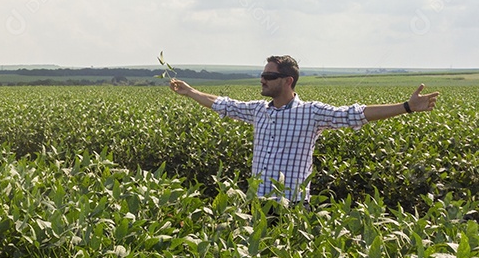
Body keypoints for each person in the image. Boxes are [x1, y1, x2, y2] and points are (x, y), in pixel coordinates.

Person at [169, 55, 439, 202]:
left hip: (292, 206)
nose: (262, 80)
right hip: (256, 204)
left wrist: (406, 106)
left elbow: (356, 114)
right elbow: (223, 104)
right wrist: (191, 91)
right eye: (262, 75)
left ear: (287, 81)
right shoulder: (258, 111)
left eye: (269, 76)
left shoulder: (311, 113)